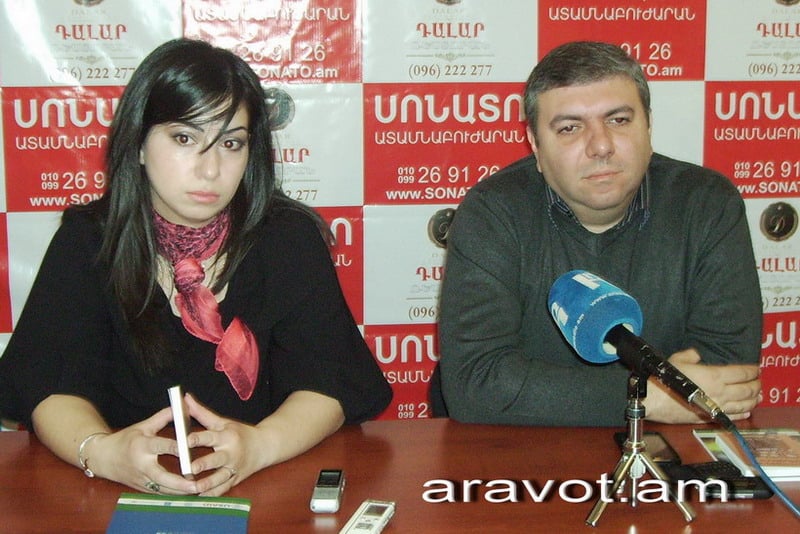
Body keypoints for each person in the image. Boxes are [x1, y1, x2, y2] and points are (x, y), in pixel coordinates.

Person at [0, 38, 391, 496]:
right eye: (184, 138)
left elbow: (331, 379)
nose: (210, 170)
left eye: (231, 143)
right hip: (117, 491)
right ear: (139, 143)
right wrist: (102, 452)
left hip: (262, 485)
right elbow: (48, 382)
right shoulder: (89, 239)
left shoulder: (286, 238)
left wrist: (260, 445)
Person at [434, 41, 762, 426]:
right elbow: (475, 383)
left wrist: (546, 393)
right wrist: (645, 395)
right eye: (570, 128)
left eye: (618, 120)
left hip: (661, 444)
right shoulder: (492, 213)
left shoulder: (707, 204)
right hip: (520, 447)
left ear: (648, 125)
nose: (601, 146)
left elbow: (728, 375)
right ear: (535, 145)